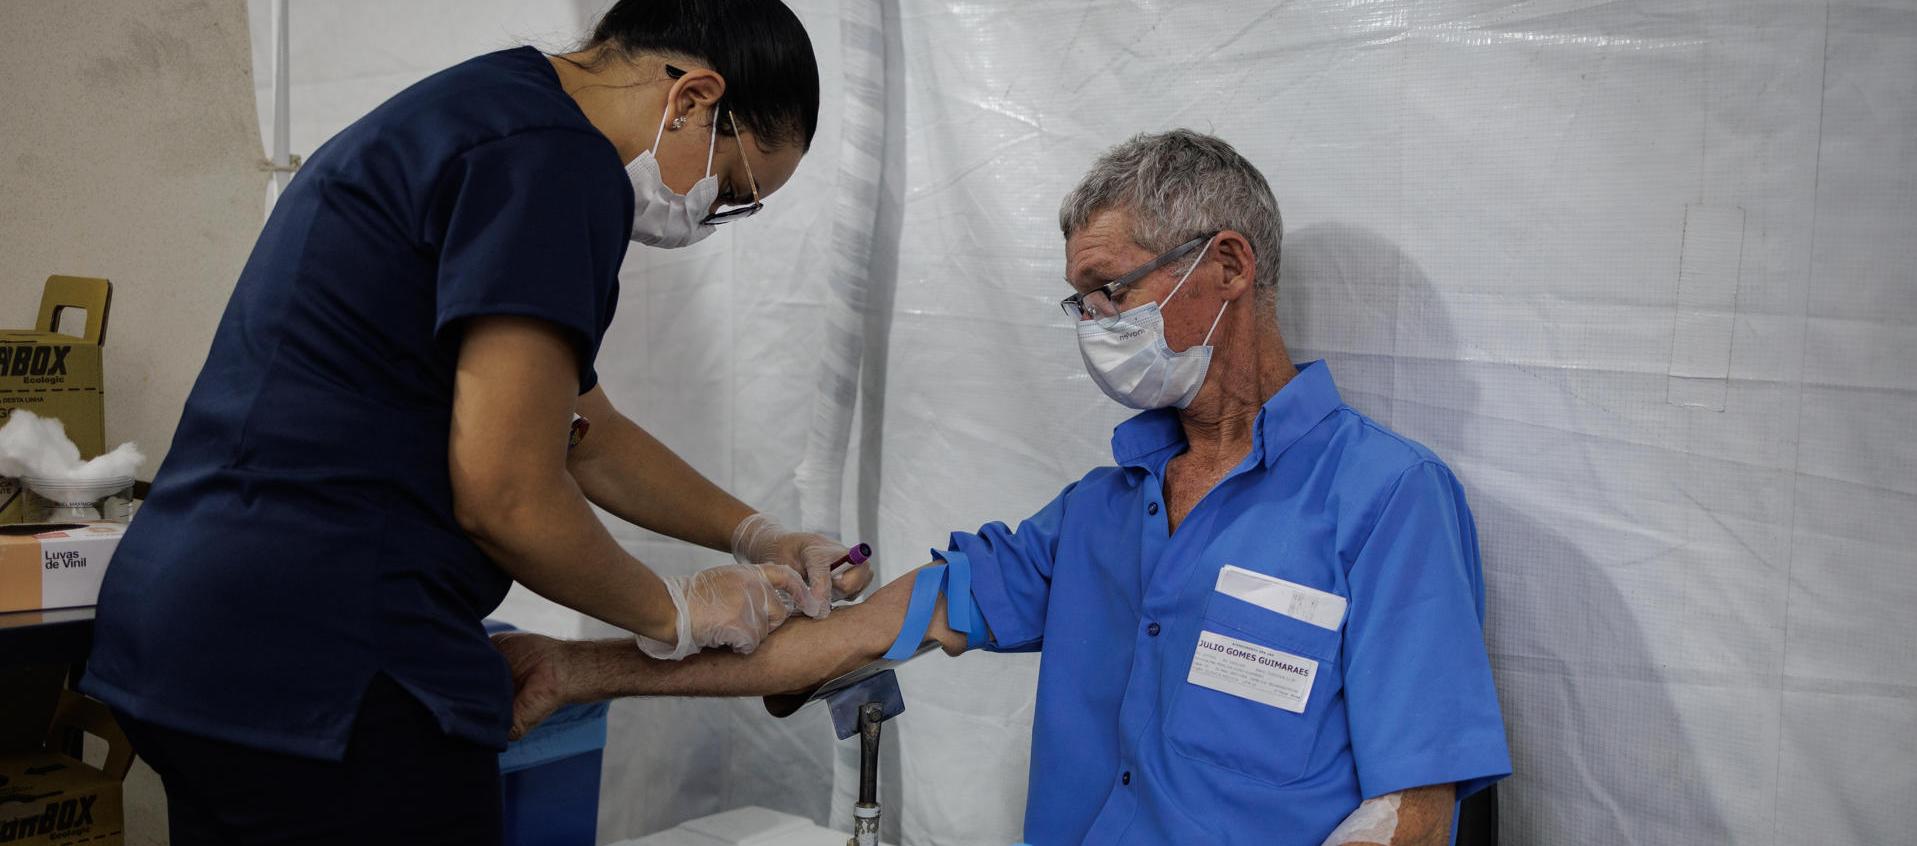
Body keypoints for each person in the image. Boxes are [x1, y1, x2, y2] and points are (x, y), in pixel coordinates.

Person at [498, 130, 1513, 845]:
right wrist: (580, 673)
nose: (1095, 327)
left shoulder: (1385, 503)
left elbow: (1413, 819)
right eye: (1078, 303)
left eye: (1112, 290)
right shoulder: (1100, 513)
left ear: (1229, 264)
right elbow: (849, 634)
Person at [82, 2, 873, 843]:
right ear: (691, 100)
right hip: (329, 657)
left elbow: (584, 431)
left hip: (191, 635)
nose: (709, 215)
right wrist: (673, 612)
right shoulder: (556, 161)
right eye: (734, 192)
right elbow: (505, 494)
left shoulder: (479, 114)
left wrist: (757, 536)